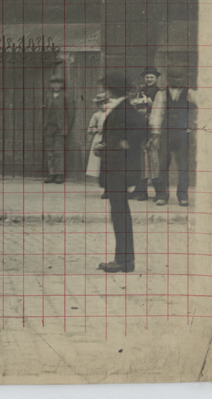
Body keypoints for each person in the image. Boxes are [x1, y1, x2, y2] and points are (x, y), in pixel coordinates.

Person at [97, 69, 147, 274]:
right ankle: (125, 259)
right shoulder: (120, 107)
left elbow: (143, 127)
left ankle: (124, 260)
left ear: (112, 89)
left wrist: (126, 143)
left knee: (120, 213)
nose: (104, 91)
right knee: (119, 212)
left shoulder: (125, 108)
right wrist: (106, 146)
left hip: (120, 168)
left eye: (106, 87)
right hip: (116, 166)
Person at [152, 68, 196, 207]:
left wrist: (194, 126)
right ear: (168, 79)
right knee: (163, 164)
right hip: (166, 134)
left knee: (183, 165)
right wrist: (156, 134)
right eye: (173, 77)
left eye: (179, 77)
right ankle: (162, 196)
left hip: (183, 134)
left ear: (184, 79)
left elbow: (203, 109)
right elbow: (157, 114)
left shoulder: (190, 93)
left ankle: (183, 196)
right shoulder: (162, 94)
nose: (177, 80)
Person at [132, 67, 161, 201]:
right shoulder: (140, 91)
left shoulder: (159, 92)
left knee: (153, 160)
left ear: (156, 79)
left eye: (151, 77)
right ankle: (140, 190)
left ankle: (159, 192)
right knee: (140, 160)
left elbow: (160, 110)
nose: (148, 79)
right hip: (140, 126)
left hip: (152, 126)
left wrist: (151, 103)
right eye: (147, 77)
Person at [42, 72, 76, 183]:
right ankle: (52, 173)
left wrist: (67, 127)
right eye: (54, 83)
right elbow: (44, 111)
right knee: (50, 150)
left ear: (62, 85)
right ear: (51, 84)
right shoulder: (47, 95)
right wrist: (44, 125)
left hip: (60, 128)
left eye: (59, 83)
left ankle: (60, 174)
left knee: (59, 151)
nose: (56, 85)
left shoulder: (66, 95)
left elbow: (71, 113)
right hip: (49, 127)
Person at [85, 89, 111, 194]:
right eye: (100, 104)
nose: (103, 105)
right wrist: (97, 130)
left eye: (105, 103)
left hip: (110, 138)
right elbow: (90, 129)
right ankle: (105, 187)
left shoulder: (112, 113)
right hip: (99, 139)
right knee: (100, 163)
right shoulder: (96, 115)